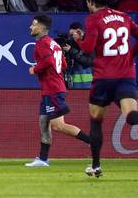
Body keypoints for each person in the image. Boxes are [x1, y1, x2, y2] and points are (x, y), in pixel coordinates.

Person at [77, 0, 138, 177]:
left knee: (96, 120)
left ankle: (96, 166)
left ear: (91, 0)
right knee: (130, 116)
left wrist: (79, 40)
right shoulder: (124, 17)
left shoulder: (93, 19)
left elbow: (88, 48)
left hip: (103, 77)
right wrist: (129, 55)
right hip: (126, 75)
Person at [24, 15, 91, 167]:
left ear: (41, 28)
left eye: (33, 25)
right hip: (52, 88)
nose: (30, 27)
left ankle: (92, 141)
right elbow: (64, 65)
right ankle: (42, 159)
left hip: (53, 89)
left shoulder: (42, 43)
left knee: (58, 125)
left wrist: (35, 69)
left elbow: (49, 61)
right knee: (43, 122)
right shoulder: (53, 44)